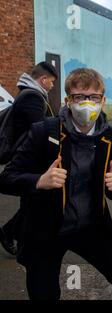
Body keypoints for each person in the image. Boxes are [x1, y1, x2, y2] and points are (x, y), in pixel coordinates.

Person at [0, 68, 112, 301]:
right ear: (68, 100)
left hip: (91, 225)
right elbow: (6, 178)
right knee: (44, 293)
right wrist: (38, 181)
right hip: (46, 228)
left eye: (93, 97)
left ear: (102, 100)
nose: (87, 103)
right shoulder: (44, 131)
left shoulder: (109, 137)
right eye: (79, 97)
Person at [0, 62, 58, 256]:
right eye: (51, 82)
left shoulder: (29, 94)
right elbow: (40, 128)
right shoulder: (32, 97)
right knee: (33, 199)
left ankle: (12, 234)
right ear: (43, 79)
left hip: (29, 156)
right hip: (29, 158)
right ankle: (11, 234)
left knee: (33, 200)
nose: (51, 86)